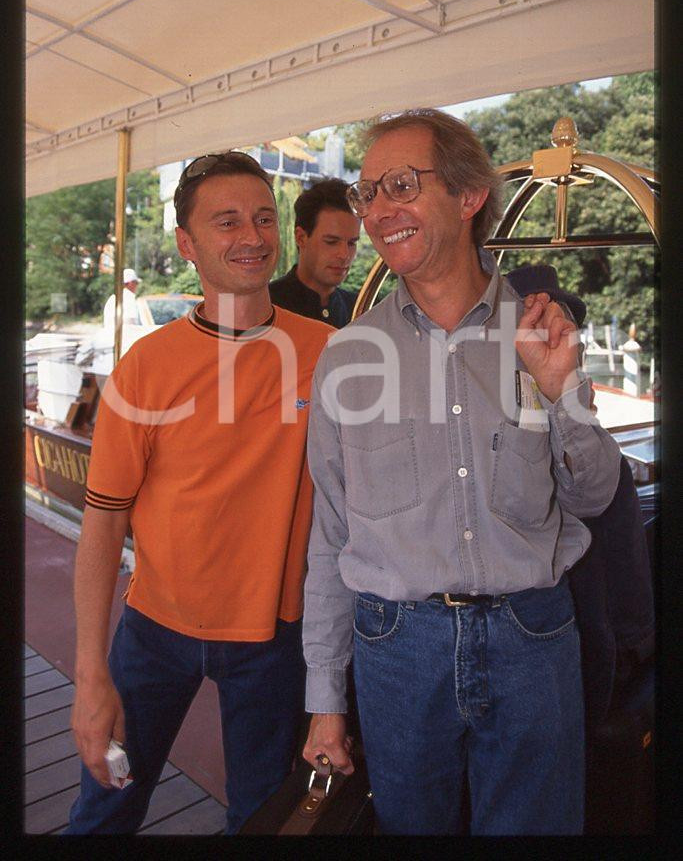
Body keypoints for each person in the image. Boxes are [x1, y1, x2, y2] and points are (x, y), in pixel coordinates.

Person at [300, 109, 623, 835]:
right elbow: (332, 536)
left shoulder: (540, 332)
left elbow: (595, 494)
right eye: (367, 193)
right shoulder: (347, 356)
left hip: (531, 638)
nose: (377, 211)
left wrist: (559, 391)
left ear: (469, 195)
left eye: (401, 186)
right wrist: (324, 698)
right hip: (396, 649)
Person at [66, 151, 333, 834]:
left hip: (276, 636)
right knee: (106, 807)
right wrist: (91, 675)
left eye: (264, 218)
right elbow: (103, 524)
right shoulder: (145, 367)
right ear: (187, 244)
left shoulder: (331, 353)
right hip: (154, 629)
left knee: (260, 818)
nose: (252, 236)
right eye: (227, 221)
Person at [269, 178, 360, 327]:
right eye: (331, 242)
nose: (345, 255)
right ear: (301, 238)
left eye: (352, 243)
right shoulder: (266, 306)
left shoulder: (362, 309)